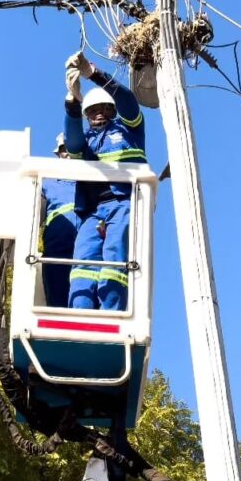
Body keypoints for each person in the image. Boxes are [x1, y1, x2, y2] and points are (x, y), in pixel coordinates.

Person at [62, 52, 146, 310]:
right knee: (83, 262)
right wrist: (72, 104)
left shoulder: (129, 129)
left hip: (124, 204)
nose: (99, 113)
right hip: (93, 211)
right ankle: (81, 313)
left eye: (104, 108)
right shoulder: (86, 140)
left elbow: (128, 100)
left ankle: (112, 311)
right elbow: (73, 143)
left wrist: (93, 75)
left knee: (114, 259)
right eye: (92, 110)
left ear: (112, 110)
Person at [40, 134, 78, 307]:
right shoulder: (47, 180)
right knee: (57, 280)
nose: (68, 153)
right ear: (59, 154)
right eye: (64, 150)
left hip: (87, 233)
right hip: (58, 234)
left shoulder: (94, 176)